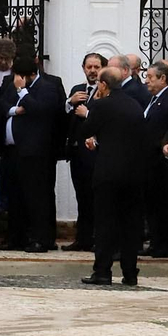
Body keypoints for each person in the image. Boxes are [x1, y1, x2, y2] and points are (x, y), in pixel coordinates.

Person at [80, 69, 148, 286]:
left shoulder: (102, 105)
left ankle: (102, 271)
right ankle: (130, 272)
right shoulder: (134, 105)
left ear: (103, 84)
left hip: (108, 173)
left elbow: (86, 129)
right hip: (134, 173)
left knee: (105, 223)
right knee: (131, 224)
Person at [0, 55, 64, 253]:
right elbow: (1, 104)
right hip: (13, 151)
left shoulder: (47, 87)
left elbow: (40, 110)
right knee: (15, 195)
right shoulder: (11, 85)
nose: (15, 79)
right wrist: (14, 110)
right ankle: (16, 237)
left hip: (36, 152)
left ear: (29, 75)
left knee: (37, 197)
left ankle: (41, 238)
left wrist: (23, 92)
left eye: (19, 76)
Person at [63, 51, 105, 251]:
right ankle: (83, 238)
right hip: (76, 152)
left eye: (97, 67)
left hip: (95, 153)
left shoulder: (104, 92)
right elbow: (66, 117)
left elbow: (104, 119)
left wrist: (87, 113)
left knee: (95, 197)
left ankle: (97, 238)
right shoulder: (77, 90)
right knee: (82, 196)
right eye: (89, 67)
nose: (93, 71)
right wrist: (69, 103)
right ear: (83, 68)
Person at [140, 61, 168, 258]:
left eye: (150, 77)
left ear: (163, 78)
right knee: (153, 205)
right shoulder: (153, 99)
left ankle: (167, 243)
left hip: (161, 161)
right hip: (149, 161)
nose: (147, 81)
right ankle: (156, 242)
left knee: (164, 205)